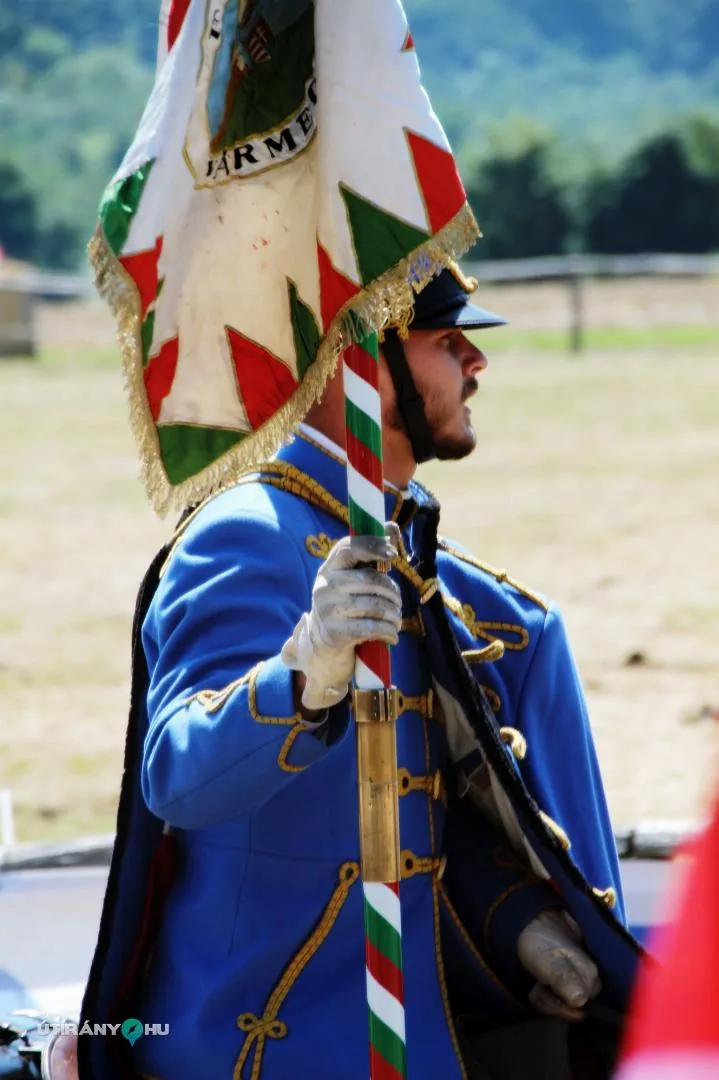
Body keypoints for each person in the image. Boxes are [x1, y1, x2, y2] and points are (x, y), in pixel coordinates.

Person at [78, 266, 641, 1080]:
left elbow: (421, 819)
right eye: (445, 340)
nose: (475, 361)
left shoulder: (417, 560)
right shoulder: (244, 534)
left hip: (414, 1049)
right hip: (259, 1053)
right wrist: (301, 675)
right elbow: (178, 776)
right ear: (356, 359)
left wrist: (515, 917)